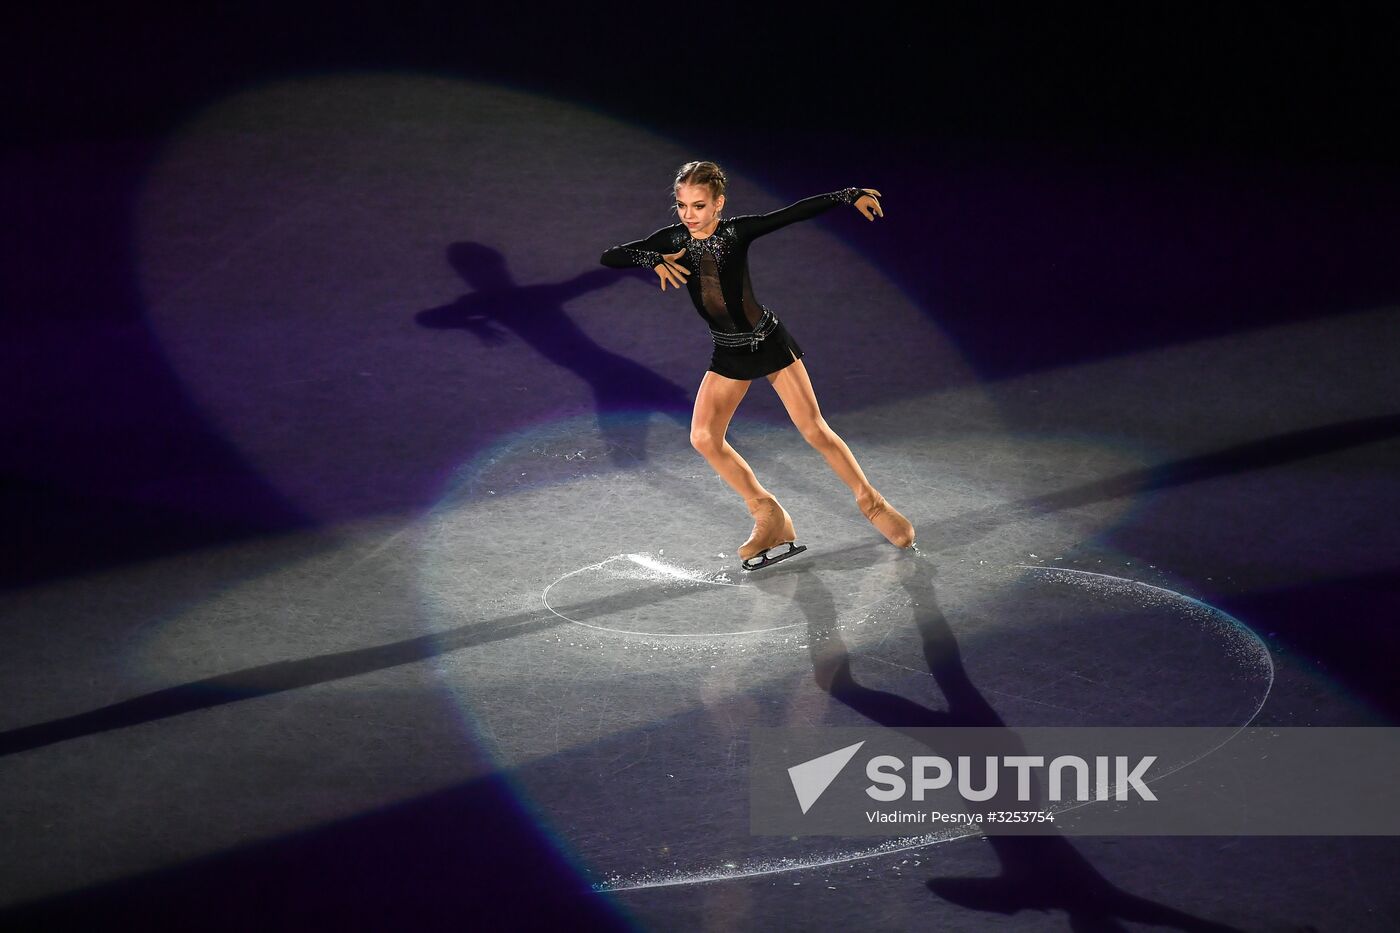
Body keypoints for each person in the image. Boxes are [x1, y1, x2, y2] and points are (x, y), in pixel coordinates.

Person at [600, 160, 915, 570]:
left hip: (768, 342)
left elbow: (792, 212)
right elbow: (611, 256)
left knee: (812, 428)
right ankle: (768, 514)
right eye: (682, 206)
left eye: (699, 206)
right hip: (729, 351)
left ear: (718, 204)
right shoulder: (673, 239)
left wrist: (847, 194)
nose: (689, 216)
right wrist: (652, 259)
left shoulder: (737, 232)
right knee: (704, 438)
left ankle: (871, 503)